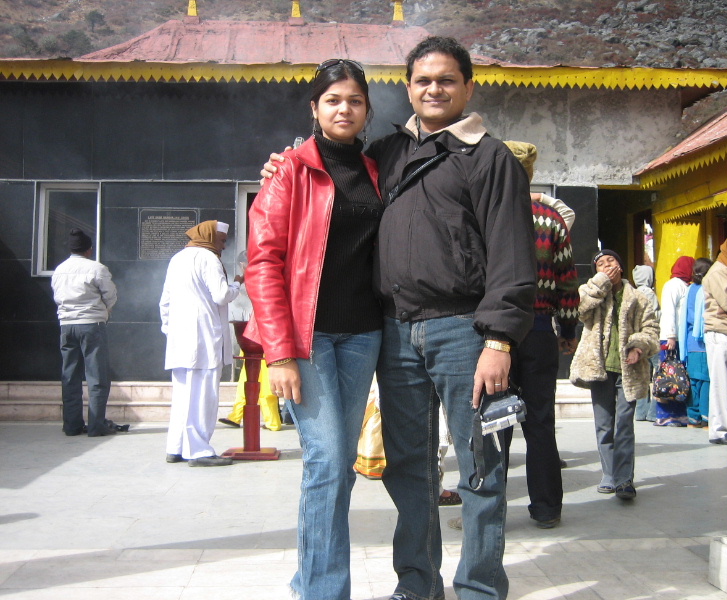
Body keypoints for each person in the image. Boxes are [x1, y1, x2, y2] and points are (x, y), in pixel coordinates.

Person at [262, 37, 537, 600]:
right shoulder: (387, 153)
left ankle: (480, 587)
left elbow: (513, 256)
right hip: (393, 332)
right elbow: (326, 168)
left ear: (468, 87)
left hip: (464, 331)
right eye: (423, 81)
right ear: (407, 89)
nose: (434, 90)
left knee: (480, 466)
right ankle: (418, 583)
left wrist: (500, 340)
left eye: (447, 80)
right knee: (409, 467)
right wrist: (285, 161)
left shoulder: (492, 159)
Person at [245, 59, 384, 600]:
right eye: (333, 100)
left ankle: (308, 578)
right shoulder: (289, 171)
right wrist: (279, 353)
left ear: (367, 108)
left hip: (364, 335)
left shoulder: (378, 170)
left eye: (354, 100)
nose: (344, 109)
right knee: (326, 460)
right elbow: (263, 262)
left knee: (341, 465)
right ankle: (323, 591)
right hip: (309, 339)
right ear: (314, 108)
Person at [502, 140, 580, 530]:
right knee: (540, 424)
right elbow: (567, 281)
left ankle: (489, 510)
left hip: (494, 336)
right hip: (538, 331)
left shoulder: (486, 211)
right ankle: (547, 507)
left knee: (493, 424)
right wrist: (568, 329)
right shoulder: (551, 219)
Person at [570, 249, 659, 500]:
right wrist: (601, 283)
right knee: (604, 424)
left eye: (611, 261)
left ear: (620, 266)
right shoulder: (591, 291)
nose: (607, 265)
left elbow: (651, 328)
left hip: (628, 369)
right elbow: (580, 310)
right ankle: (609, 474)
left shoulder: (639, 297)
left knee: (624, 424)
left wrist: (639, 347)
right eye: (600, 264)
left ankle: (624, 479)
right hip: (599, 369)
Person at [160, 220, 242, 466]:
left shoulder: (177, 259)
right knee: (203, 396)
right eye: (222, 241)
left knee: (183, 395)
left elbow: (165, 301)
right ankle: (199, 451)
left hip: (180, 338)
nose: (224, 246)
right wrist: (238, 282)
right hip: (203, 337)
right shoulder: (208, 259)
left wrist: (170, 330)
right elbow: (222, 295)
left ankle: (176, 448)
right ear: (210, 237)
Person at [51, 228, 122, 437]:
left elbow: (57, 296)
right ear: (89, 250)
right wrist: (105, 311)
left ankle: (72, 426)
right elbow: (110, 295)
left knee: (70, 377)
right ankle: (96, 426)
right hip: (92, 325)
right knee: (97, 376)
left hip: (66, 326)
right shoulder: (97, 268)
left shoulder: (59, 270)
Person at [219, 252, 281, 432]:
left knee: (266, 382)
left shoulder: (263, 277)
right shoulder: (252, 278)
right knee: (246, 379)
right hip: (251, 334)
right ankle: (236, 415)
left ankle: (273, 421)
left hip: (267, 336)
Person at [655, 256, 695, 427]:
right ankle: (666, 415)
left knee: (678, 377)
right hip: (671, 338)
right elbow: (669, 311)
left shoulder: (686, 286)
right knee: (668, 376)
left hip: (679, 338)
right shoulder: (673, 285)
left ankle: (679, 414)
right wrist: (671, 336)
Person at [703, 236, 727, 445]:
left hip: (726, 331)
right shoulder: (718, 272)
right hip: (719, 333)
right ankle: (719, 430)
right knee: (721, 383)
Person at [678, 258, 713, 428]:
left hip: (690, 343)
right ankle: (706, 417)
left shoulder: (690, 289)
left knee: (693, 381)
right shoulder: (707, 289)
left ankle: (693, 417)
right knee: (705, 381)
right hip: (703, 342)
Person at [631, 264, 660, 422]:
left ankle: (640, 411)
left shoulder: (633, 292)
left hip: (637, 338)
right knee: (658, 373)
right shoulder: (649, 293)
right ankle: (653, 412)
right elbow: (653, 315)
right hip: (650, 338)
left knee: (642, 375)